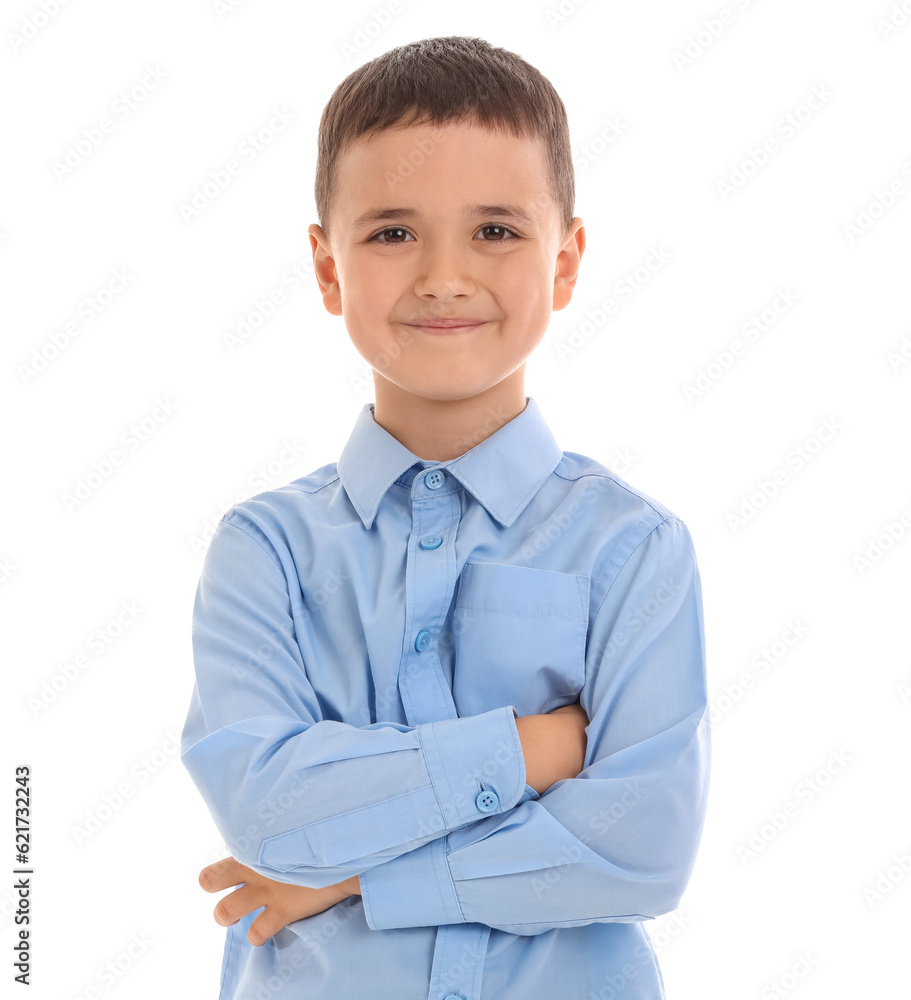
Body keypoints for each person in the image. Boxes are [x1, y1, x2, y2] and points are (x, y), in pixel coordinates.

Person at [181, 34, 711, 1000]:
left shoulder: (633, 549)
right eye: (391, 232)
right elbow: (269, 814)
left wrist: (355, 877)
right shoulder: (264, 552)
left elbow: (642, 848)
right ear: (327, 265)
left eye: (496, 231)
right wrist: (538, 748)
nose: (442, 276)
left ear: (565, 260)